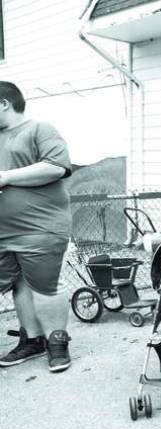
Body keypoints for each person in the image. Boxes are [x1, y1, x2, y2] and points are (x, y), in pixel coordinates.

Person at [0, 81, 73, 372]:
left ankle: (57, 343)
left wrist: (5, 177)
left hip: (39, 227)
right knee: (19, 283)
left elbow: (56, 166)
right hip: (3, 233)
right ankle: (32, 340)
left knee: (45, 285)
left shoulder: (40, 129)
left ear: (4, 103)